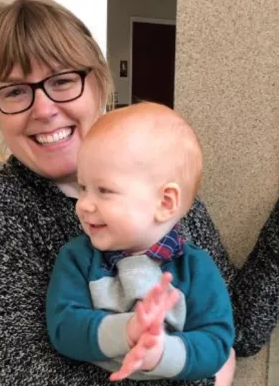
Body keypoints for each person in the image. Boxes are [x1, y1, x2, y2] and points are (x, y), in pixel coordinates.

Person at [0, 0, 279, 386]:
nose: (43, 108)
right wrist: (206, 377)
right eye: (15, 91)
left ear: (97, 80)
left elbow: (233, 327)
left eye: (61, 80)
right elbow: (22, 376)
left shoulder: (156, 183)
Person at [45, 103, 236, 384]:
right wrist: (127, 331)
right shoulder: (77, 258)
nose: (83, 205)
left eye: (104, 190)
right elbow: (64, 328)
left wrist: (159, 353)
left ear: (165, 203)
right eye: (83, 187)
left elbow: (217, 343)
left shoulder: (195, 268)